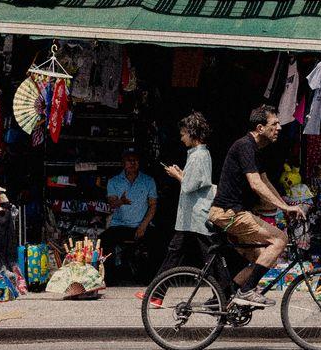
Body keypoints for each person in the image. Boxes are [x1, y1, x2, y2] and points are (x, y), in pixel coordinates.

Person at [209, 106, 303, 308]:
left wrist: (284, 207)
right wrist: (286, 208)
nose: (279, 128)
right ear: (260, 128)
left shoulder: (255, 150)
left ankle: (223, 299)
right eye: (274, 124)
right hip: (230, 214)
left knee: (262, 258)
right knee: (280, 239)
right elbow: (256, 184)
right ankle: (247, 291)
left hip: (233, 213)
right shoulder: (244, 146)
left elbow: (265, 181)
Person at [147, 113, 217, 301]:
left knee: (210, 257)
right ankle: (156, 294)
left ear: (192, 133)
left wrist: (177, 175)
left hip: (196, 216)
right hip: (190, 217)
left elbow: (189, 186)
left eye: (184, 134)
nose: (182, 138)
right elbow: (196, 180)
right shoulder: (200, 154)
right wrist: (182, 173)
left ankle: (225, 293)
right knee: (175, 253)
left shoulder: (198, 155)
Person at [101, 147, 158, 282]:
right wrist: (121, 201)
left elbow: (153, 205)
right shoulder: (114, 181)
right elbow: (112, 204)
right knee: (103, 242)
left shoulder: (148, 181)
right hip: (119, 225)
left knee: (157, 241)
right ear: (123, 163)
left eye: (135, 160)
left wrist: (143, 226)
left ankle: (150, 280)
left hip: (141, 226)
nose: (132, 163)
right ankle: (110, 279)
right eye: (129, 160)